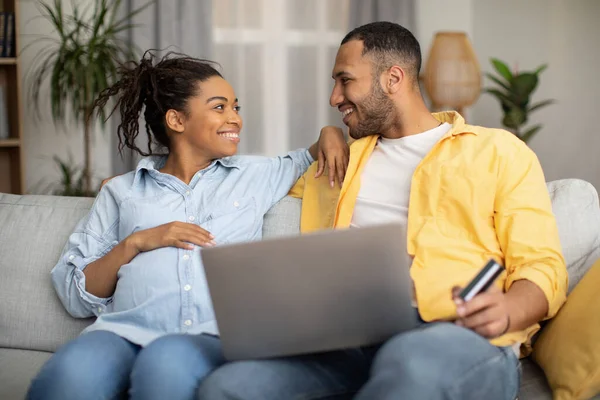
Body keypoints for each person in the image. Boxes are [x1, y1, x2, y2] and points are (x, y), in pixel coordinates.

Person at [196, 22, 568, 400]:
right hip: (347, 338)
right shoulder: (336, 164)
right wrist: (325, 136)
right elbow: (248, 189)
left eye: (345, 80)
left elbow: (542, 266)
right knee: (228, 386)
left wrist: (506, 310)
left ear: (393, 78)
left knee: (409, 362)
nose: (334, 97)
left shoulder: (497, 152)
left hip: (456, 336)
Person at [26, 51, 349, 400]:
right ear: (177, 120)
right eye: (219, 107)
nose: (235, 119)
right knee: (70, 373)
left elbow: (313, 151)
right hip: (123, 333)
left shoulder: (256, 175)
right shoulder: (123, 191)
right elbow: (75, 294)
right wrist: (136, 243)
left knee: (165, 362)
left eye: (236, 107)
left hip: (211, 336)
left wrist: (330, 131)